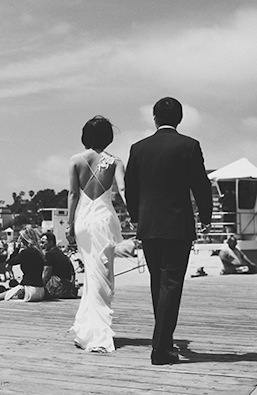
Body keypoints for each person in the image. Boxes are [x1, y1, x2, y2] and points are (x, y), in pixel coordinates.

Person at [125, 97, 212, 365]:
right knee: (171, 285)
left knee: (158, 284)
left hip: (149, 225)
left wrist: (136, 217)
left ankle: (164, 340)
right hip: (178, 225)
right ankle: (161, 348)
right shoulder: (189, 146)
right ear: (180, 118)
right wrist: (205, 216)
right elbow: (201, 184)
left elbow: (131, 188)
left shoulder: (139, 148)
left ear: (154, 118)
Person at [67, 115, 126, 353]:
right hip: (104, 218)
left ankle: (85, 331)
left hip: (83, 219)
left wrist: (69, 224)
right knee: (102, 276)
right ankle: (98, 336)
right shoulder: (115, 161)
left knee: (92, 274)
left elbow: (72, 194)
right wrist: (135, 214)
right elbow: (122, 189)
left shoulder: (75, 160)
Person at [0, 225, 45, 302]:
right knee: (7, 294)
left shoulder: (25, 253)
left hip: (29, 290)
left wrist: (17, 247)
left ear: (23, 239)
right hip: (40, 291)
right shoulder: (39, 253)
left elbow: (10, 261)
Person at [41, 232, 76, 299]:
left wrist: (39, 286)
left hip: (57, 288)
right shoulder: (60, 253)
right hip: (68, 288)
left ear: (51, 242)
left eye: (43, 242)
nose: (41, 245)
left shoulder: (49, 255)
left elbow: (46, 274)